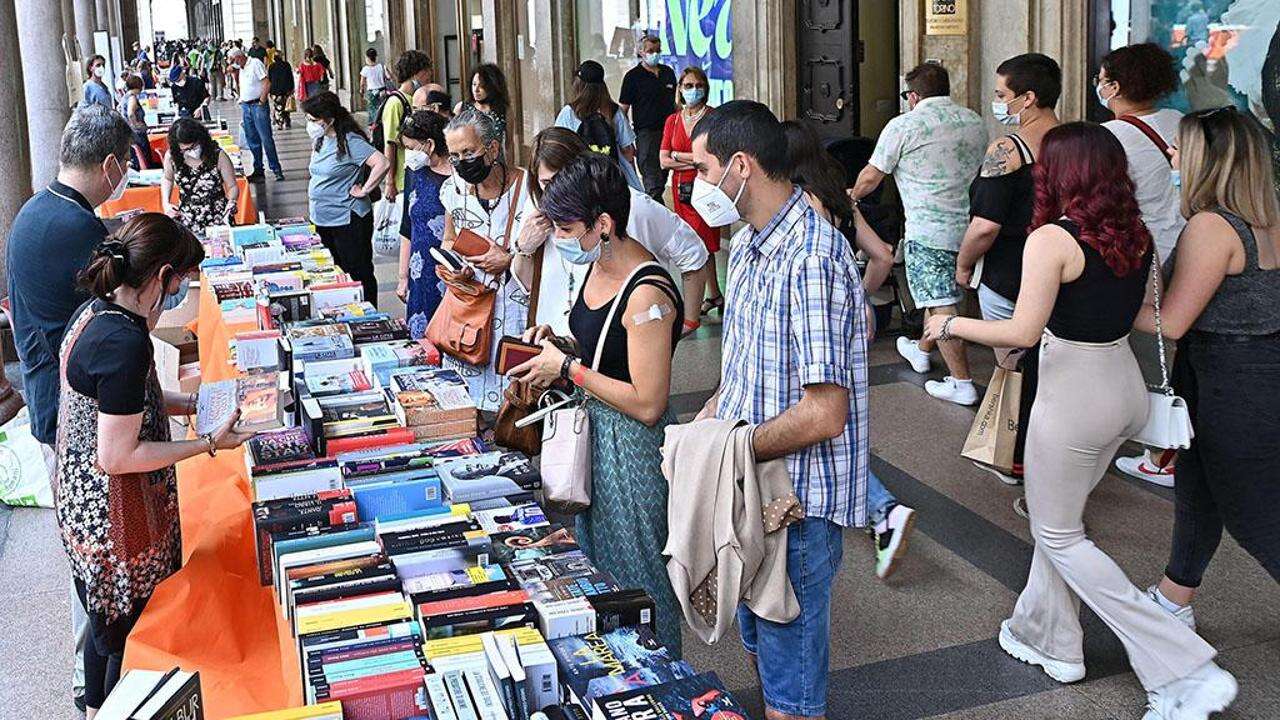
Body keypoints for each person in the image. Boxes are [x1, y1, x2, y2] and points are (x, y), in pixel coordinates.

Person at [922, 122, 1237, 719]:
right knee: (1057, 518)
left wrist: (950, 325)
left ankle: (1184, 668)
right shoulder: (1135, 234)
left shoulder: (1053, 239)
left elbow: (1021, 332)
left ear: (1059, 174)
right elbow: (1152, 320)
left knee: (1061, 533)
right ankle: (1049, 637)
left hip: (1072, 396)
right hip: (1122, 389)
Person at [690, 100, 869, 720]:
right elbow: (737, 378)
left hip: (795, 504)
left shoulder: (811, 259)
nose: (698, 186)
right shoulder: (745, 250)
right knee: (765, 660)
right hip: (749, 496)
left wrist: (727, 450)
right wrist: (702, 432)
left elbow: (824, 415)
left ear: (741, 166)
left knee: (793, 693)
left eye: (705, 170)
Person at [59, 213, 251, 714]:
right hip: (116, 525)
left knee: (112, 634)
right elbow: (119, 454)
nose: (180, 293)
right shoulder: (124, 341)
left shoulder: (99, 312)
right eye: (180, 282)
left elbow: (125, 401)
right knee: (129, 639)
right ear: (162, 276)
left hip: (88, 509)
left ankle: (98, 701)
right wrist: (208, 443)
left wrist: (190, 405)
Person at [509, 153, 684, 653]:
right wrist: (559, 344)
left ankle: (661, 677)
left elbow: (649, 402)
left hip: (631, 455)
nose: (560, 237)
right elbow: (604, 350)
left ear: (603, 224)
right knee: (601, 571)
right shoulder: (600, 266)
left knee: (642, 581)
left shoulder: (647, 294)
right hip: (597, 442)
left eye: (566, 227)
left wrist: (568, 370)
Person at [6, 105, 133, 714]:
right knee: (104, 553)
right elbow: (120, 311)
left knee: (87, 547)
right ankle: (100, 681)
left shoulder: (35, 211)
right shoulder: (80, 231)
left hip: (48, 395)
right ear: (110, 164)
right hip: (77, 411)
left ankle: (94, 663)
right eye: (125, 166)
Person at [1134, 107, 1280, 629]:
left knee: (1252, 512)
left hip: (1231, 381)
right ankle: (1174, 598)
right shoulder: (1268, 215)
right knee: (1199, 488)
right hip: (1253, 371)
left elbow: (1167, 321)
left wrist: (1101, 298)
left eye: (1180, 149)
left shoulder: (1213, 226)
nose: (1172, 156)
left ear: (1208, 159)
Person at [782, 119, 912, 580]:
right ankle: (881, 510)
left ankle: (881, 509)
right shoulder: (839, 197)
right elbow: (884, 255)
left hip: (809, 318)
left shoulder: (794, 206)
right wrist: (858, 298)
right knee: (838, 419)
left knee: (812, 417)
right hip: (849, 315)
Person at [853, 63, 986, 406]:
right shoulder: (974, 120)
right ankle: (923, 348)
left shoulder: (904, 125)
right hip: (970, 228)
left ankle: (962, 382)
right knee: (945, 295)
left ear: (912, 96)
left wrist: (850, 196)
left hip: (928, 232)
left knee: (940, 303)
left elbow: (872, 176)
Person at [959, 53, 1061, 488]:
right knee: (1053, 368)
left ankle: (1017, 458)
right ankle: (1059, 453)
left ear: (1028, 97)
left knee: (1013, 370)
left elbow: (985, 226)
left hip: (1008, 273)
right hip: (1058, 270)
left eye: (1002, 95)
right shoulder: (1073, 142)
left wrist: (963, 264)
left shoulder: (1007, 149)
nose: (997, 102)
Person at [1095, 43, 1187, 488]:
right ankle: (1175, 437)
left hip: (1145, 254)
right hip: (1190, 245)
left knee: (1150, 350)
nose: (1098, 83)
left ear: (1114, 85)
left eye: (1102, 76)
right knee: (1180, 344)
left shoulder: (1111, 137)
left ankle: (1160, 451)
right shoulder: (1181, 124)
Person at [517, 128, 707, 336]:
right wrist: (523, 248)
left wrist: (688, 321)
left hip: (620, 344)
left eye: (564, 178)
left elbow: (692, 251)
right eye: (547, 183)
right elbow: (527, 285)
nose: (557, 191)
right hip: (556, 342)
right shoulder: (536, 210)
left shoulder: (633, 206)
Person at [438, 107, 533, 414]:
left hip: (518, 316)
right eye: (454, 155)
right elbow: (449, 239)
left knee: (517, 406)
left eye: (468, 152)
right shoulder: (453, 190)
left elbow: (555, 255)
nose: (461, 162)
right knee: (470, 407)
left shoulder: (531, 189)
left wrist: (510, 259)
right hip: (470, 319)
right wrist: (454, 267)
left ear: (492, 148)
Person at [302, 92, 391, 305]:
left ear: (329, 119)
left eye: (314, 120)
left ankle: (368, 313)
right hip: (322, 218)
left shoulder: (351, 142)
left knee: (358, 271)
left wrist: (365, 190)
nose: (310, 124)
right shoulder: (321, 140)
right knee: (334, 270)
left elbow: (382, 163)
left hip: (347, 218)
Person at [661, 66, 722, 319]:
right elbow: (664, 160)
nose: (693, 90)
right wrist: (694, 160)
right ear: (680, 89)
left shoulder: (714, 118)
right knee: (693, 242)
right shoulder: (672, 120)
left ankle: (698, 301)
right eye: (688, 86)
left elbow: (713, 158)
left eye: (698, 86)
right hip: (681, 190)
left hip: (706, 187)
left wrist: (680, 157)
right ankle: (714, 294)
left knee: (703, 242)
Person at [395, 110, 454, 337]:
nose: (408, 154)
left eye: (411, 148)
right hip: (419, 272)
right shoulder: (414, 171)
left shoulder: (458, 177)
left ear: (429, 144)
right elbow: (406, 224)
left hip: (450, 271)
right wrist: (403, 277)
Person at [555, 61, 643, 193]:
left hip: (580, 183)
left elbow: (558, 148)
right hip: (611, 181)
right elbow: (628, 151)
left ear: (578, 84)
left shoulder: (569, 112)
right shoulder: (613, 111)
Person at [619, 35, 677, 202]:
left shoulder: (667, 73)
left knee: (662, 175)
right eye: (650, 51)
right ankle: (657, 218)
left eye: (657, 51)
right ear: (641, 52)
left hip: (668, 132)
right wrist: (625, 140)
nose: (654, 54)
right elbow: (623, 110)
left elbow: (675, 103)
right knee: (652, 183)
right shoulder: (633, 77)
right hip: (646, 134)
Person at [161, 118, 239, 238]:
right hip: (187, 217)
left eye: (194, 146)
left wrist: (231, 202)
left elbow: (232, 186)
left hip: (217, 217)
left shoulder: (218, 156)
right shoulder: (172, 157)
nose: (191, 151)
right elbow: (167, 179)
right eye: (185, 149)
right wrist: (166, 203)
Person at [381, 50, 432, 202]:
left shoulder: (420, 99)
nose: (429, 75)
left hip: (422, 171)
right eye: (426, 71)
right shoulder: (395, 103)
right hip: (403, 179)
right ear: (415, 73)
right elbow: (390, 144)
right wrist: (390, 182)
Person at [230, 47, 285, 182]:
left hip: (257, 105)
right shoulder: (241, 69)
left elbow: (266, 82)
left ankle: (276, 168)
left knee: (266, 138)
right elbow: (241, 87)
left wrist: (262, 101)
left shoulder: (255, 63)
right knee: (252, 139)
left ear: (239, 57)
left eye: (232, 60)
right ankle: (258, 169)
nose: (231, 63)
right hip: (246, 106)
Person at [455, 63, 509, 144]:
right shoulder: (462, 108)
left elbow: (509, 143)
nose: (476, 90)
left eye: (481, 86)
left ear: (492, 87)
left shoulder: (504, 110)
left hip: (495, 155)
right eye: (474, 84)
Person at [120, 75, 154, 169]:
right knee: (143, 158)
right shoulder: (132, 98)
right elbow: (130, 113)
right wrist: (135, 124)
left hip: (130, 133)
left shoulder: (124, 97)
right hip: (138, 134)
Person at [267, 50, 295, 130]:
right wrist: (292, 88)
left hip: (275, 90)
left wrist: (270, 91)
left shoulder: (271, 66)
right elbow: (290, 77)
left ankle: (280, 123)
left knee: (278, 107)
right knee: (286, 105)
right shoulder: (286, 65)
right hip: (286, 89)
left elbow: (270, 79)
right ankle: (287, 121)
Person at [360, 47, 389, 112]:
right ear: (376, 57)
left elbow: (362, 83)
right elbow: (389, 77)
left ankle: (374, 121)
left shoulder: (365, 69)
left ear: (367, 58)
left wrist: (361, 91)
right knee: (383, 109)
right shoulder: (381, 66)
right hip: (382, 91)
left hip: (372, 92)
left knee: (372, 110)